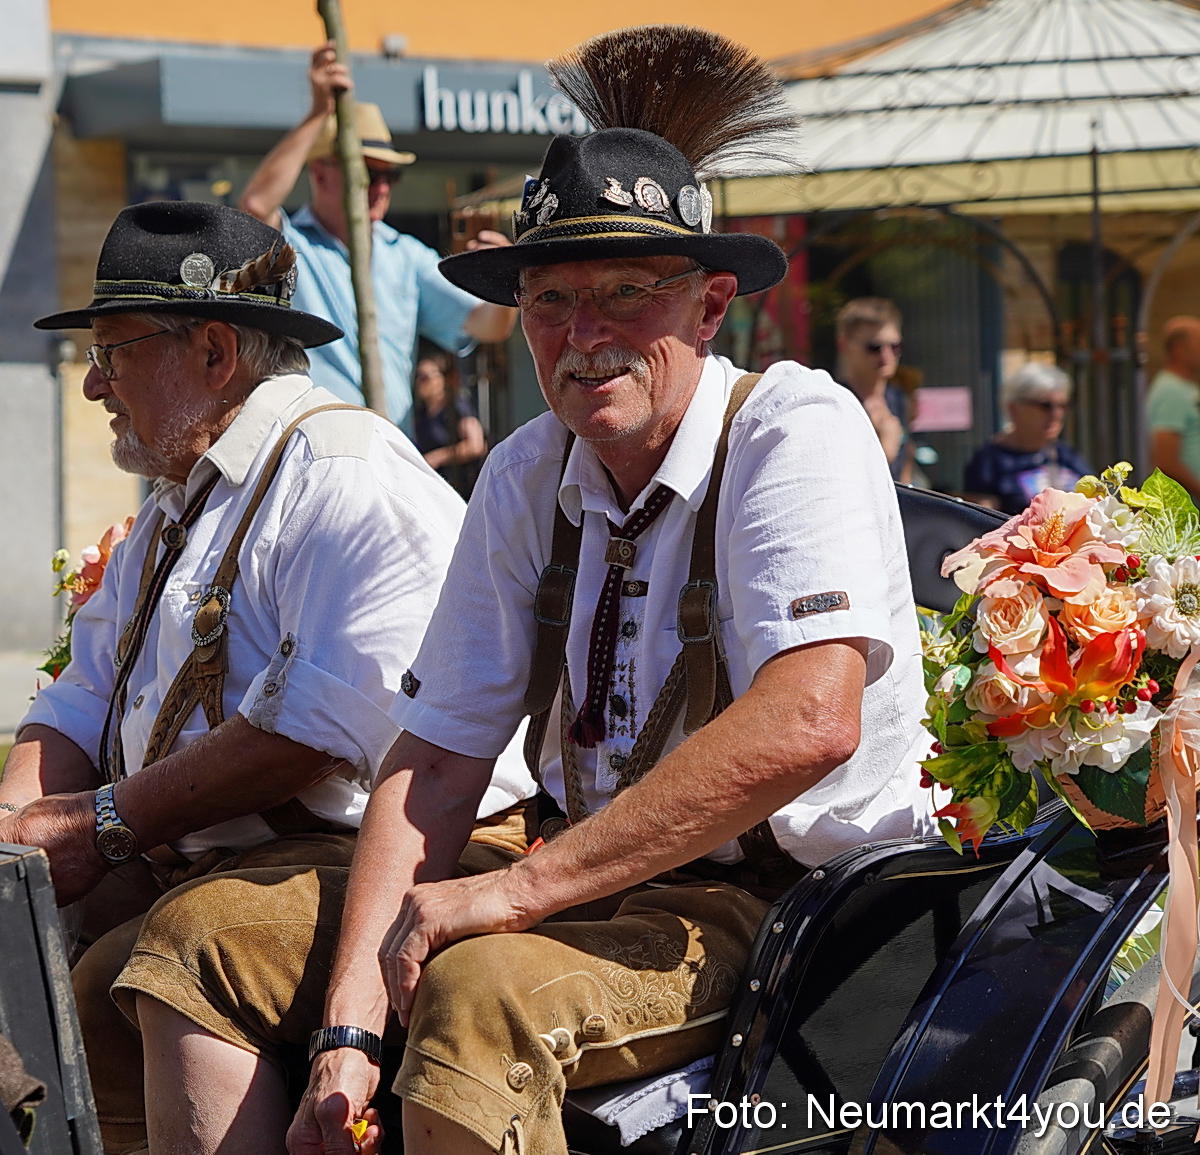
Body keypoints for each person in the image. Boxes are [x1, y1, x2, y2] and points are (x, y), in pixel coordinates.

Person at [122, 27, 934, 1155]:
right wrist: (350, 1021)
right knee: (198, 939)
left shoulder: (793, 427)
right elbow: (440, 756)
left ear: (708, 308)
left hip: (792, 902)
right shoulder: (525, 469)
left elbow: (808, 722)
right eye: (550, 300)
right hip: (579, 867)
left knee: (478, 995)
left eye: (623, 294)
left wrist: (513, 894)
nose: (581, 335)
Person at [0, 200, 535, 1154]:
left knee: (183, 949)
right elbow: (77, 692)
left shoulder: (343, 472)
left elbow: (315, 729)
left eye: (112, 351)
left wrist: (99, 825)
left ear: (213, 352)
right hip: (258, 859)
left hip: (415, 858)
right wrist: (1, 839)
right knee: (44, 966)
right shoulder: (177, 503)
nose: (92, 385)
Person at [237, 43, 518, 426]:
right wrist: (318, 114)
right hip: (309, 455)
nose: (382, 187)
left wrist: (505, 282)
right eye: (368, 172)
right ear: (320, 174)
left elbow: (488, 326)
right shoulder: (291, 247)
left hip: (387, 456)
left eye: (391, 176)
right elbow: (255, 205)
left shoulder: (404, 254)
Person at [962, 363, 1092, 513]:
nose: (1056, 414)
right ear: (1013, 408)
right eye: (1045, 405)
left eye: (1062, 406)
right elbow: (982, 521)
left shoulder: (1067, 455)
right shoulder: (989, 461)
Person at [835, 297, 915, 482]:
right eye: (874, 347)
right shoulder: (834, 401)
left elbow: (906, 459)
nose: (886, 355)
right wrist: (885, 450)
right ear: (844, 345)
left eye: (895, 346)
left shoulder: (898, 398)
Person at [409, 349, 486, 497]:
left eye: (425, 378)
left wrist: (436, 458)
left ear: (442, 379)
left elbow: (476, 445)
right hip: (432, 491)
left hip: (460, 490)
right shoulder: (421, 414)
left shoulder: (456, 408)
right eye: (417, 377)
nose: (419, 382)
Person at [1147, 315, 1200, 500]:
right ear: (1178, 348)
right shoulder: (1171, 391)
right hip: (1188, 510)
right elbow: (1165, 460)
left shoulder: (1185, 387)